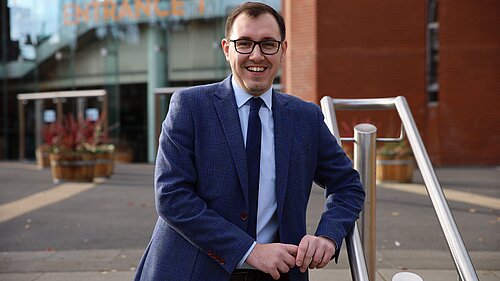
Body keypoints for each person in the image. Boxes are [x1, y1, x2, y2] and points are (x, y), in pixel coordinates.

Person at [134, 2, 365, 281]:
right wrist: (249, 250)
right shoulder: (189, 106)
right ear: (226, 49)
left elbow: (348, 185)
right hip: (191, 271)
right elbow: (172, 197)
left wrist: (328, 236)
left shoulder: (305, 117)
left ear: (283, 50)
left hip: (280, 274)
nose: (256, 55)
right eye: (244, 43)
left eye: (268, 44)